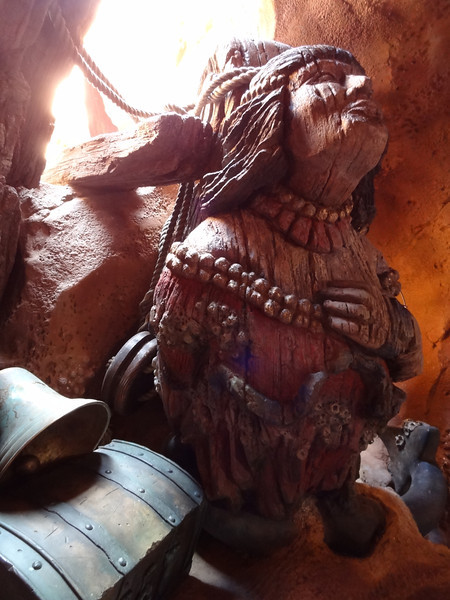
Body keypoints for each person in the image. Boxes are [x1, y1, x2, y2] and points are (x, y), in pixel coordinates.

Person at [141, 41, 422, 553]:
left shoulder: (365, 256)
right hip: (240, 470)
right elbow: (177, 364)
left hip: (336, 456)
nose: (361, 87)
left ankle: (332, 490)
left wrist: (386, 329)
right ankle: (236, 498)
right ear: (274, 118)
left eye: (361, 81)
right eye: (326, 78)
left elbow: (408, 360)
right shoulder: (219, 244)